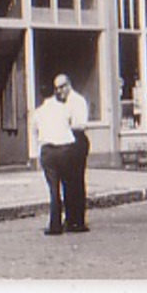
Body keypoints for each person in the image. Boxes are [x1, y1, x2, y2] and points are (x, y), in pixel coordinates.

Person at [31, 79, 77, 236]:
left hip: (48, 151)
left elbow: (35, 133)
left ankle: (55, 225)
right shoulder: (65, 109)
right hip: (65, 150)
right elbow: (70, 124)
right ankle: (71, 221)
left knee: (53, 189)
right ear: (54, 92)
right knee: (68, 186)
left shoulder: (38, 112)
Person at [55, 74, 89, 232]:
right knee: (66, 182)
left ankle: (79, 220)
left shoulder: (78, 101)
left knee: (77, 180)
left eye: (61, 87)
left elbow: (81, 124)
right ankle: (69, 218)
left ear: (68, 85)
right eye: (56, 88)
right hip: (64, 142)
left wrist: (66, 125)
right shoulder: (59, 103)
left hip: (77, 141)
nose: (59, 91)